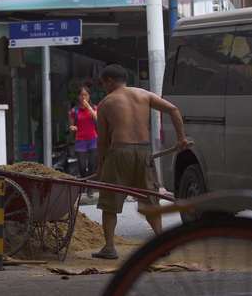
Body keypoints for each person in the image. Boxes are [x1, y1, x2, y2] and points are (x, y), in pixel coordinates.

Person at [92, 64, 189, 259]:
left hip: (119, 152)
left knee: (109, 203)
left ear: (109, 81)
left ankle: (110, 247)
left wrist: (101, 168)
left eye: (104, 84)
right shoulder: (145, 95)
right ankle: (161, 243)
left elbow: (103, 141)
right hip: (144, 153)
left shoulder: (105, 103)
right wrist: (181, 138)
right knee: (150, 200)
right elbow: (173, 110)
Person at [69, 87, 99, 197]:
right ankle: (83, 184)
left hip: (93, 139)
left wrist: (88, 108)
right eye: (81, 95)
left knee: (92, 163)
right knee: (82, 166)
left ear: (89, 96)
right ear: (78, 96)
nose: (84, 97)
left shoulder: (94, 107)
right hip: (80, 140)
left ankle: (90, 189)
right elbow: (71, 124)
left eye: (86, 95)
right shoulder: (75, 110)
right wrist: (72, 128)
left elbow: (97, 119)